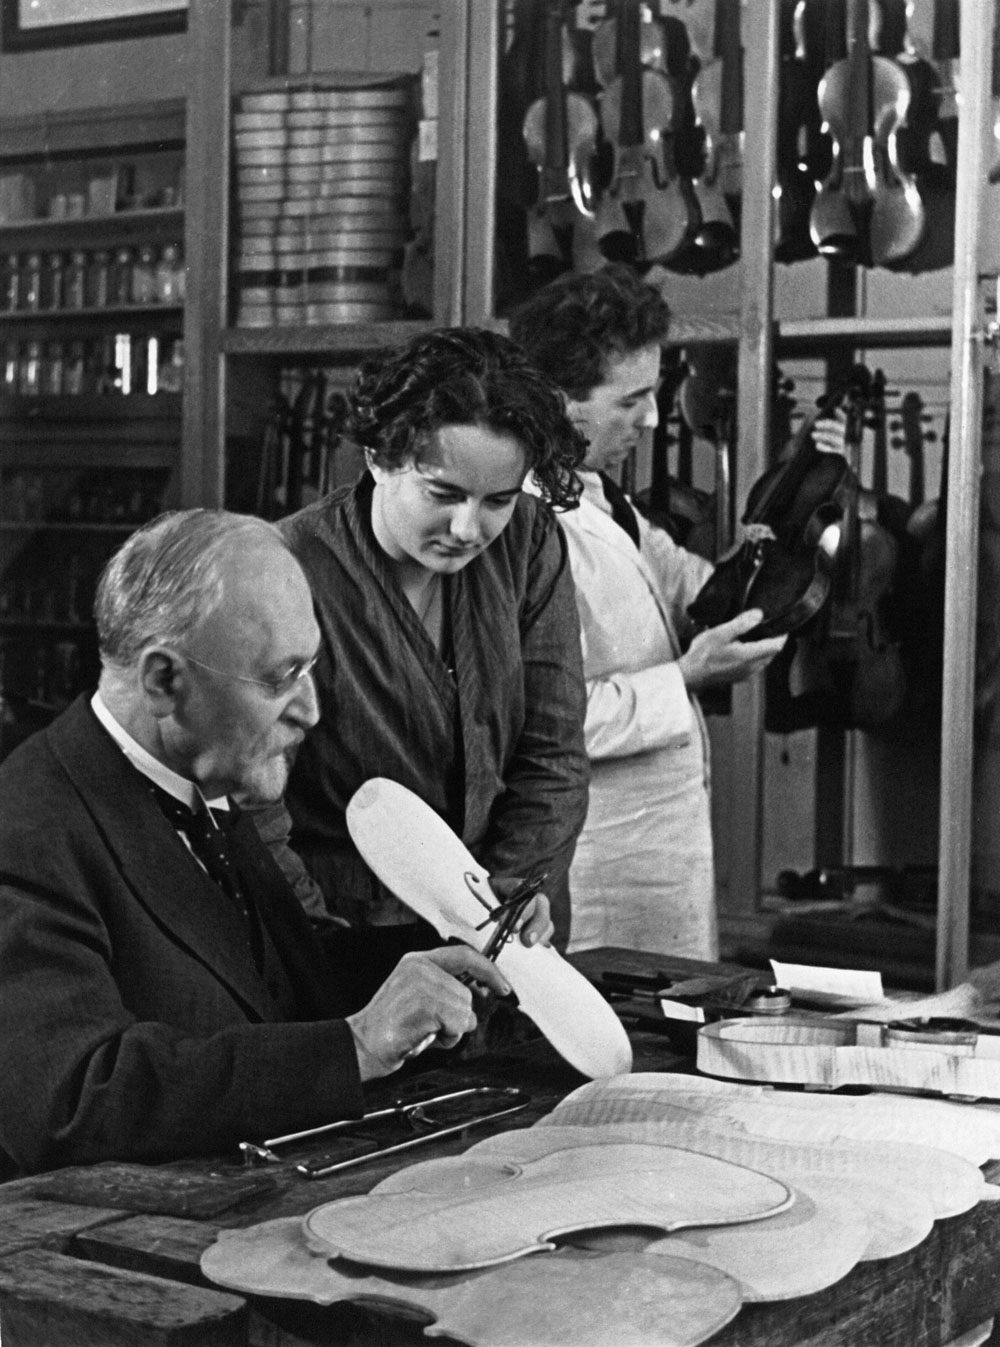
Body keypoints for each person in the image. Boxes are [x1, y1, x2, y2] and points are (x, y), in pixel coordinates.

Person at [0, 510, 551, 1176]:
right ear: (163, 680)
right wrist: (352, 1046)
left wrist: (456, 951)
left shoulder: (202, 780)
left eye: (311, 667)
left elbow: (273, 981)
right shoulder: (27, 826)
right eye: (280, 678)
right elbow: (74, 1096)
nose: (311, 710)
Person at [509, 264, 843, 958]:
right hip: (595, 864)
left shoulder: (606, 500)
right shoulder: (523, 524)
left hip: (661, 855)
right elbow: (537, 720)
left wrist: (800, 479)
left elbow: (709, 590)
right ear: (559, 400)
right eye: (631, 400)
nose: (654, 419)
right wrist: (686, 678)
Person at [273, 326, 590, 949]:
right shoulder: (287, 568)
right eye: (442, 494)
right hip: (345, 932)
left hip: (508, 927)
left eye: (497, 499)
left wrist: (515, 892)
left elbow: (553, 754)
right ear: (378, 457)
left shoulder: (528, 541)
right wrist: (315, 939)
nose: (469, 528)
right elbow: (252, 802)